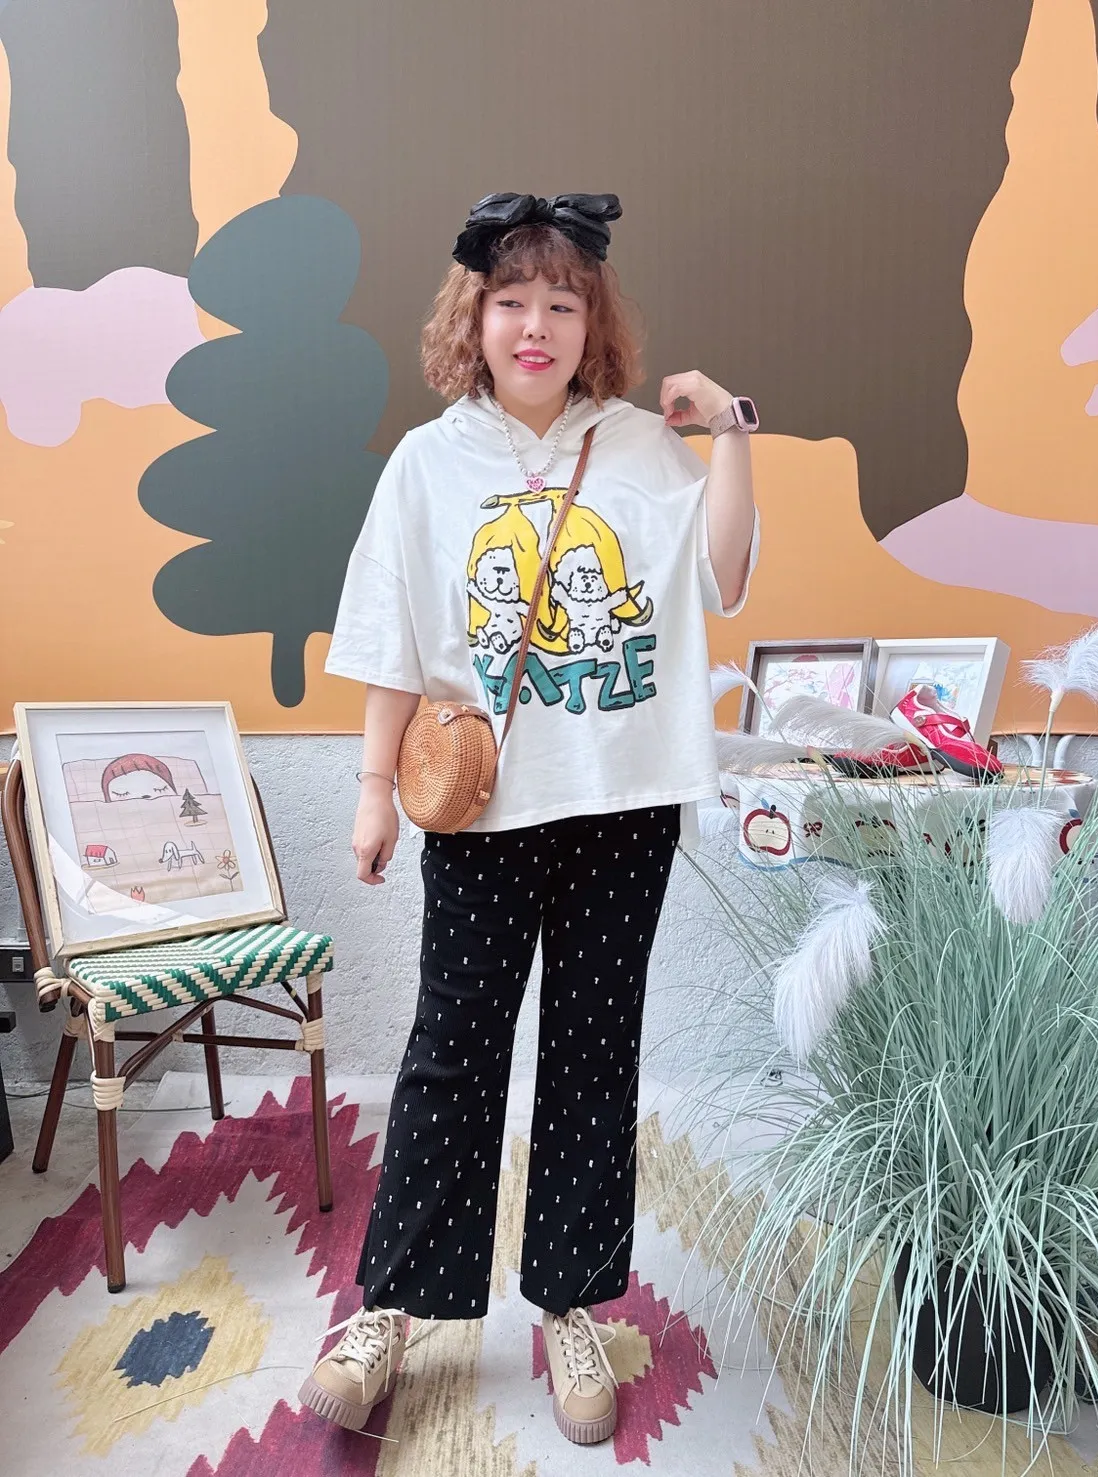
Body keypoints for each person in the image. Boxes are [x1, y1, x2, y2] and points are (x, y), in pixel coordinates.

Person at [299, 191, 759, 1445]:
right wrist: (373, 789)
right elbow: (392, 634)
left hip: (622, 804)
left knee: (591, 1054)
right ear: (476, 317)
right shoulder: (429, 461)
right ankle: (392, 1306)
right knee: (453, 1050)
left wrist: (730, 432)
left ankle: (568, 1303)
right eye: (512, 301)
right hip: (483, 809)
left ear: (592, 321)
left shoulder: (642, 445)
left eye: (563, 302)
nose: (537, 325)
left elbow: (725, 573)